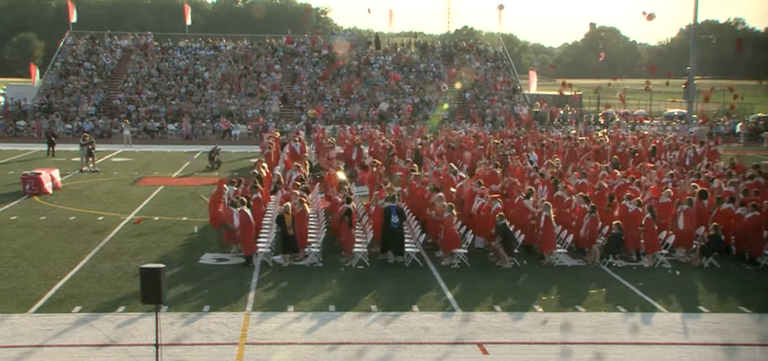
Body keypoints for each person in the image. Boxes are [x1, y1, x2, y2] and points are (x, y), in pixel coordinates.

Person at [381, 194, 407, 264]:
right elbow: (404, 218)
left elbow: (385, 220)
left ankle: (391, 258)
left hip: (389, 230)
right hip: (398, 229)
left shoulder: (386, 210)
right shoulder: (400, 209)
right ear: (396, 200)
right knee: (399, 242)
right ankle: (399, 257)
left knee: (390, 244)